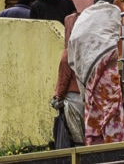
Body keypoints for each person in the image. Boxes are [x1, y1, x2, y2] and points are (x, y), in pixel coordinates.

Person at [67, 0, 124, 145]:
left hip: (87, 67)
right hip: (107, 64)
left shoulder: (85, 15)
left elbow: (75, 40)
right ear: (111, 0)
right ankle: (114, 141)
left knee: (93, 104)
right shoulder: (113, 10)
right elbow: (112, 34)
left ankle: (95, 141)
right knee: (111, 103)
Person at [51, 12, 84, 147]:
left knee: (75, 136)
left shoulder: (67, 54)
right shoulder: (88, 50)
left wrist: (57, 97)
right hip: (87, 97)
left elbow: (64, 80)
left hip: (72, 98)